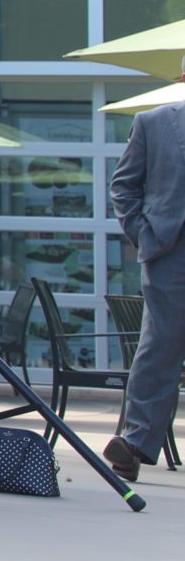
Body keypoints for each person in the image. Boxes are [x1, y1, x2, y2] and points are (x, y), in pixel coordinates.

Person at [105, 56, 185, 483]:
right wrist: (144, 235)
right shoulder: (153, 123)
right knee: (161, 346)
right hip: (171, 253)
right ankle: (133, 444)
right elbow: (124, 186)